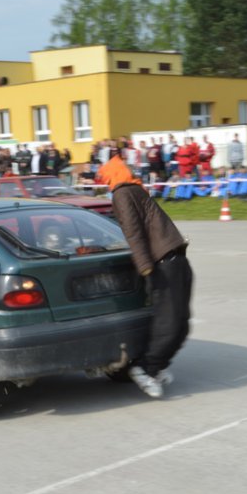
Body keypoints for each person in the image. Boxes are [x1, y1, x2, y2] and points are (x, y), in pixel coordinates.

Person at [96, 142, 192, 398]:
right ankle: (145, 369)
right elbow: (133, 232)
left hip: (173, 257)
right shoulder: (124, 194)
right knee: (170, 323)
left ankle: (156, 366)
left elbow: (141, 229)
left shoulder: (130, 191)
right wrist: (146, 267)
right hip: (163, 263)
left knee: (181, 323)